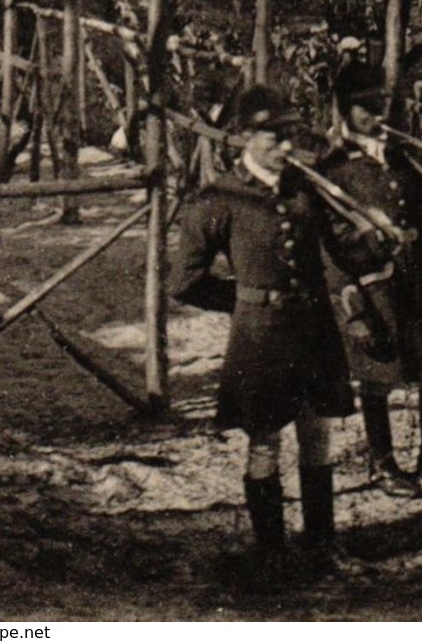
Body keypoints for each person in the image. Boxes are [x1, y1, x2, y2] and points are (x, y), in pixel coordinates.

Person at [172, 85, 356, 575]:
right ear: (244, 139)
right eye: (274, 138)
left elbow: (340, 249)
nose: (286, 147)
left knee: (317, 433)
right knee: (264, 440)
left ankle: (321, 543)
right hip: (261, 339)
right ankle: (270, 551)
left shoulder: (304, 188)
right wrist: (246, 301)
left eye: (290, 136)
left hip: (314, 329)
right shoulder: (219, 199)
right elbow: (184, 282)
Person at [321, 63, 422, 498]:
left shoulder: (400, 153)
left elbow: (420, 207)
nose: (374, 114)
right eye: (364, 108)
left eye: (379, 105)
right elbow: (329, 242)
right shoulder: (333, 167)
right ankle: (383, 464)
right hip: (375, 282)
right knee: (379, 373)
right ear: (345, 109)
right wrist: (354, 309)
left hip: (418, 273)